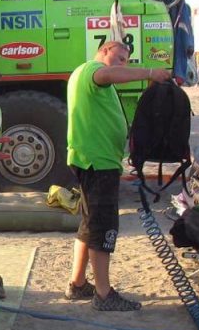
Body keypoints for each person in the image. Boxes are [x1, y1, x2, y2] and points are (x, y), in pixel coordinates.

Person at [64, 40, 171, 311]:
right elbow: (108, 74)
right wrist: (149, 73)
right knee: (103, 225)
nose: (123, 63)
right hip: (97, 163)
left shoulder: (94, 79)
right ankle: (103, 294)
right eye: (119, 57)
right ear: (104, 51)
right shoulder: (93, 71)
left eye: (127, 60)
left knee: (90, 223)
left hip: (95, 160)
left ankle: (77, 284)